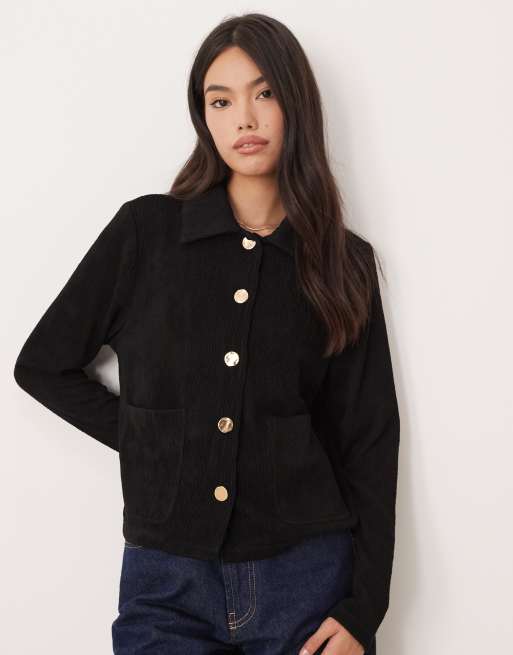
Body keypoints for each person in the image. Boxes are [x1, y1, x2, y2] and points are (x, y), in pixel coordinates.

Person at [13, 12, 400, 655]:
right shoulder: (147, 234)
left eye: (264, 93)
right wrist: (154, 440)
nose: (244, 119)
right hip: (167, 582)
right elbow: (42, 365)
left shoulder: (342, 261)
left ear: (296, 102)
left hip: (308, 582)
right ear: (204, 118)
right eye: (221, 101)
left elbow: (368, 441)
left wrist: (364, 610)